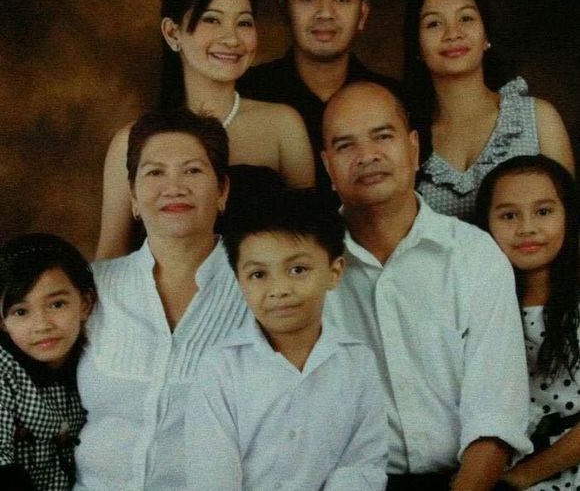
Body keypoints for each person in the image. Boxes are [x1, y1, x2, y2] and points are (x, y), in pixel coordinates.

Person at [321, 80, 532, 490]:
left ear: (414, 149)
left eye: (383, 136)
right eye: (346, 145)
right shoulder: (305, 267)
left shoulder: (474, 255)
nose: (367, 156)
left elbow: (496, 420)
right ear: (328, 167)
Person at [74, 109, 248, 490]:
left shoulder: (259, 292)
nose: (174, 187)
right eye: (155, 173)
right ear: (133, 198)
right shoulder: (91, 289)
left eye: (192, 170)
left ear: (222, 191)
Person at [96, 0, 314, 259]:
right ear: (172, 33)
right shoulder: (129, 141)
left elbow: (312, 239)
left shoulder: (283, 125)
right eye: (212, 20)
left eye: (244, 23)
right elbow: (111, 255)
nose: (232, 38)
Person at [185, 187, 389, 490]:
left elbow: (361, 465)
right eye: (258, 274)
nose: (279, 289)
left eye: (297, 269)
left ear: (334, 272)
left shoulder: (357, 362)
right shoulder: (220, 368)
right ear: (239, 280)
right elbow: (212, 477)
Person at [237, 0, 397, 204]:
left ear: (362, 14)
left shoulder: (395, 101)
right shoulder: (244, 95)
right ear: (285, 10)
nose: (325, 13)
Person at [403, 0, 575, 222]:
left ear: (486, 36)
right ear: (417, 46)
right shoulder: (407, 138)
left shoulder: (537, 119)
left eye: (466, 18)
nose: (453, 33)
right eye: (434, 23)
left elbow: (569, 223)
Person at [475, 155, 580, 491]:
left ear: (568, 215)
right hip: (503, 464)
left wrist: (522, 477)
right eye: (509, 216)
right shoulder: (479, 300)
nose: (527, 228)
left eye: (543, 212)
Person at [0, 234, 96, 491]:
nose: (42, 325)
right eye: (21, 312)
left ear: (85, 304)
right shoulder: (4, 371)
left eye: (57, 304)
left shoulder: (96, 362)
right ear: (2, 321)